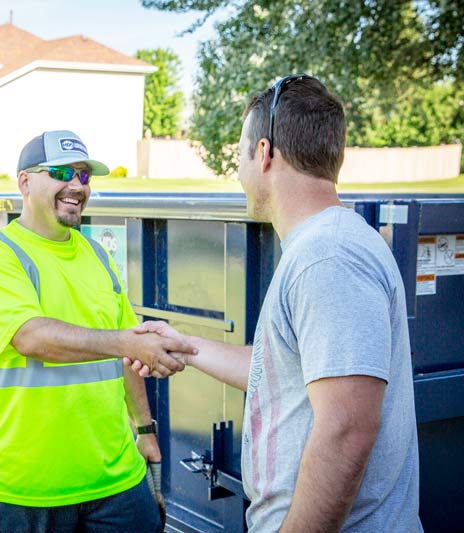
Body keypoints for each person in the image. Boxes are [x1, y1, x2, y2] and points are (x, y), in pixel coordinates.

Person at [128, 75, 422, 532]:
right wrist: (184, 345)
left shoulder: (328, 257)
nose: (239, 173)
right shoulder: (322, 246)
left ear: (264, 153)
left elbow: (346, 431)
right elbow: (279, 371)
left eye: (239, 157)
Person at [0, 130, 192, 532]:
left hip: (117, 478)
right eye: (61, 172)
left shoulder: (98, 256)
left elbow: (129, 352)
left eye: (84, 176)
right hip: (26, 488)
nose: (76, 186)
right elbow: (31, 337)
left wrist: (145, 430)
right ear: (25, 181)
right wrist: (124, 340)